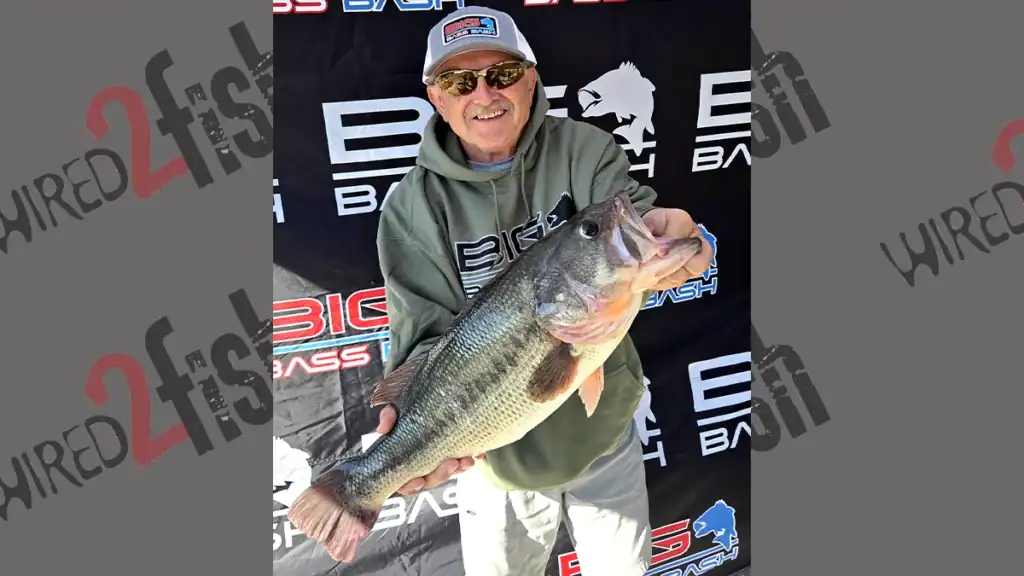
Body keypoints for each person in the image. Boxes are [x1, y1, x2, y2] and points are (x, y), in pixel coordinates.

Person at [373, 6, 713, 575]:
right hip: (492, 459)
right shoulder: (411, 208)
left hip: (604, 436)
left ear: (530, 80)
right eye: (460, 82)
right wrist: (404, 437)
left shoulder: (586, 149)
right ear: (436, 98)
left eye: (502, 74)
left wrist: (686, 244)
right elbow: (420, 335)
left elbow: (650, 232)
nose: (485, 94)